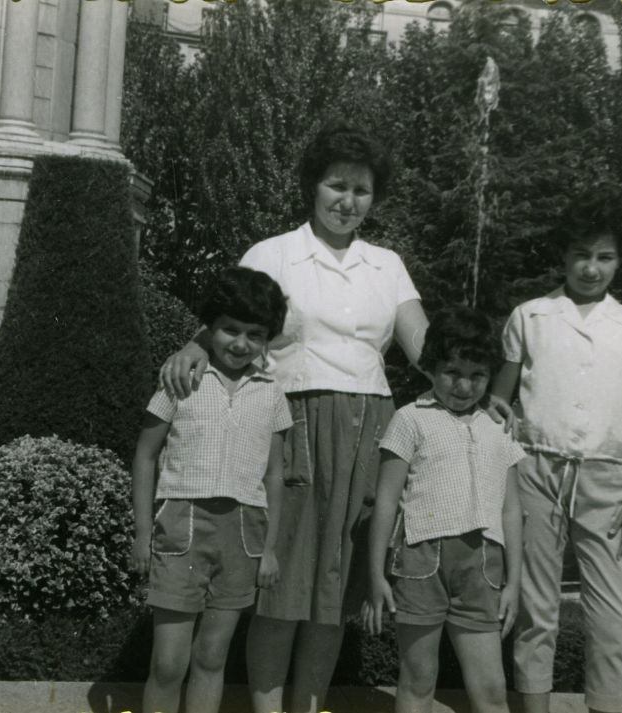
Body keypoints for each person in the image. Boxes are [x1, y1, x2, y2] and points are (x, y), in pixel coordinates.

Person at [162, 122, 511, 713]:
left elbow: (431, 350)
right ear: (312, 187)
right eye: (337, 186)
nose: (348, 202)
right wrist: (192, 347)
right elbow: (231, 318)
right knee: (283, 585)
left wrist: (484, 394)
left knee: (335, 589)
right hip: (290, 423)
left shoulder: (386, 264)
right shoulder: (273, 253)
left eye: (362, 191)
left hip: (369, 430)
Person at [491, 191, 622, 713]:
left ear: (620, 260)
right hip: (537, 473)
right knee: (535, 609)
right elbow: (500, 395)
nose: (591, 268)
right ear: (563, 256)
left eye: (605, 257)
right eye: (581, 254)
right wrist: (500, 415)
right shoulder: (532, 316)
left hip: (608, 480)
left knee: (615, 615)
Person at [131, 266, 292, 713]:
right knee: (168, 662)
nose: (241, 344)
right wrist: (143, 533)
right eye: (230, 330)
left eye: (255, 334)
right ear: (210, 328)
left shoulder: (271, 394)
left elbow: (274, 474)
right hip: (182, 527)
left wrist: (271, 548)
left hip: (244, 534)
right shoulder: (180, 380)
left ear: (268, 339)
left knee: (211, 657)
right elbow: (145, 456)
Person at [363, 305, 526, 713]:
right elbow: (385, 502)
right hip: (421, 562)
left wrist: (514, 583)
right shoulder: (410, 420)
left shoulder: (497, 428)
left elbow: (511, 511)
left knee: (490, 689)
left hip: (483, 566)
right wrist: (375, 577)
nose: (464, 386)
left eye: (477, 375)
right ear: (432, 368)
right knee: (418, 681)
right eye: (453, 372)